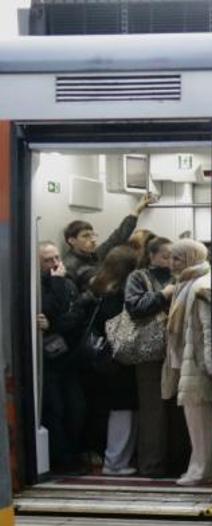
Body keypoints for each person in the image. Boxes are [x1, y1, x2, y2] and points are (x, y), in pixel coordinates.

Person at [83, 246, 140, 475]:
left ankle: (116, 460)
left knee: (116, 409)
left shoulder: (97, 287)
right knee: (123, 409)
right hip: (119, 358)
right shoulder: (120, 295)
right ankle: (115, 462)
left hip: (103, 357)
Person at [162, 239, 212, 486]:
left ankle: (201, 470)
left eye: (177, 258)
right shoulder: (188, 284)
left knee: (199, 421)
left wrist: (210, 365)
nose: (171, 264)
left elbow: (208, 328)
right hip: (190, 360)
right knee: (197, 420)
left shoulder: (199, 286)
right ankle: (200, 468)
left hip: (196, 363)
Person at [125, 236, 175, 477]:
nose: (171, 261)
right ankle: (151, 464)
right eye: (166, 256)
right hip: (149, 352)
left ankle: (177, 461)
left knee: (177, 408)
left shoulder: (181, 275)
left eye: (174, 256)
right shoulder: (138, 277)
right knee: (152, 409)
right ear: (152, 255)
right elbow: (134, 307)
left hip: (176, 349)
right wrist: (163, 295)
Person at [37, 242, 88, 474]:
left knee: (76, 408)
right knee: (55, 409)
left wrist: (53, 325)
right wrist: (56, 282)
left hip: (69, 356)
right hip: (47, 361)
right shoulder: (39, 285)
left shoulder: (68, 284)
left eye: (57, 258)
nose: (55, 264)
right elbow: (47, 309)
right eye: (48, 260)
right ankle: (62, 460)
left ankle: (74, 455)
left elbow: (76, 316)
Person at [61, 192, 155, 292]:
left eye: (93, 235)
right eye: (86, 236)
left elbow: (118, 236)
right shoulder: (69, 265)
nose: (92, 240)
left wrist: (137, 210)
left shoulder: (93, 254)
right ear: (72, 240)